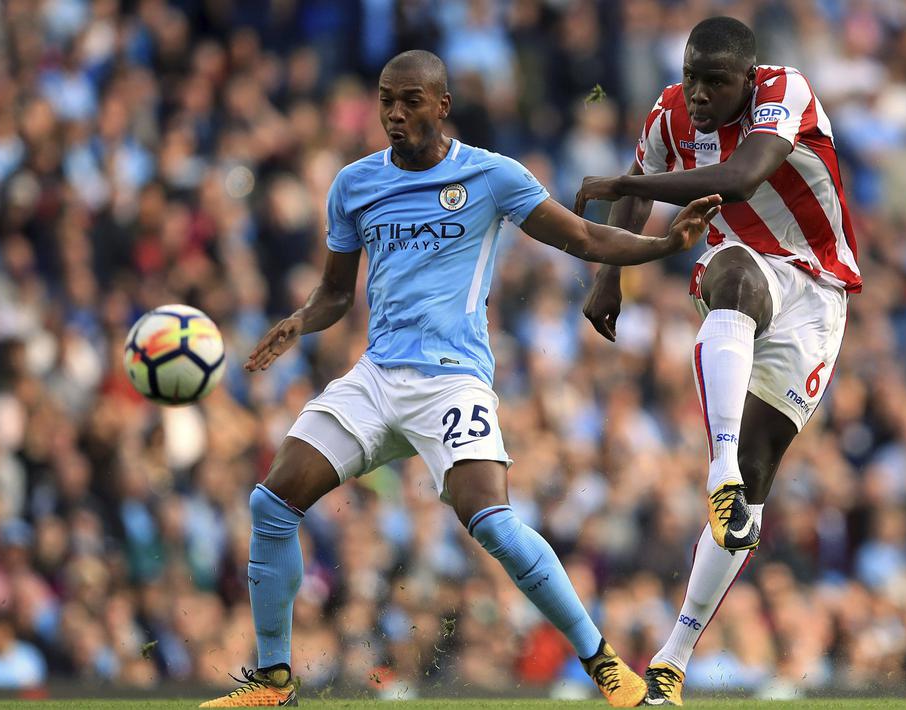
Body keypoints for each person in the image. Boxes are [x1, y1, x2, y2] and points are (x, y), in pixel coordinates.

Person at [200, 50, 720, 708]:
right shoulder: (354, 184)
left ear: (441, 105)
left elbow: (583, 239)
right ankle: (274, 682)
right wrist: (302, 320)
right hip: (377, 377)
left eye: (409, 100)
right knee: (270, 504)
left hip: (452, 379)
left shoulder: (492, 176)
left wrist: (665, 246)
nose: (394, 112)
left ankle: (605, 665)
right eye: (386, 99)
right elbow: (336, 294)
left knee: (494, 524)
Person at [572, 17, 861, 706]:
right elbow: (640, 186)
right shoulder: (669, 112)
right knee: (729, 273)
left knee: (759, 480)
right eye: (691, 75)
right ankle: (718, 469)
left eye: (714, 81)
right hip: (746, 267)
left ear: (747, 76)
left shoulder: (785, 90)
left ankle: (671, 662)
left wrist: (620, 180)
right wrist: (607, 276)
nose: (697, 93)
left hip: (817, 293)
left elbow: (740, 177)